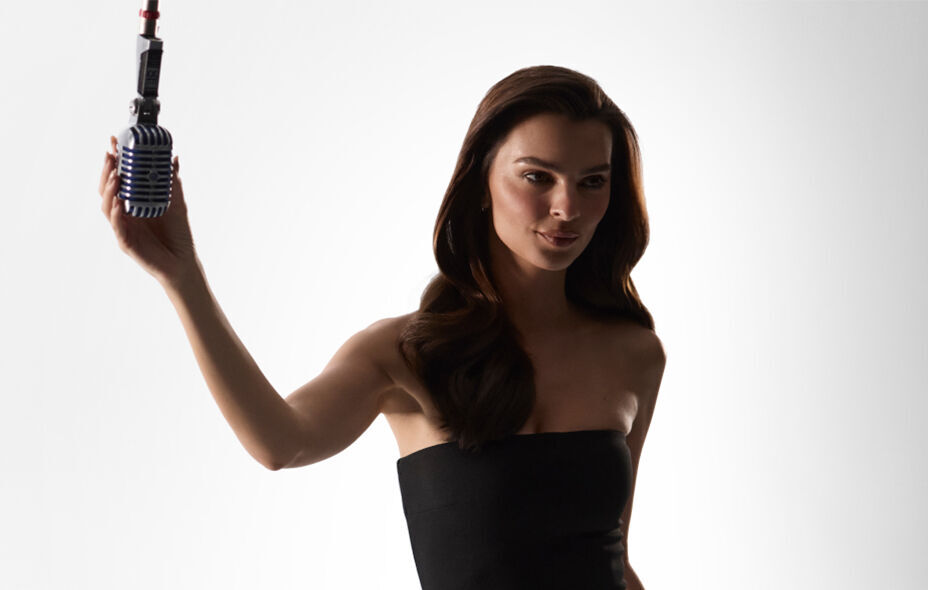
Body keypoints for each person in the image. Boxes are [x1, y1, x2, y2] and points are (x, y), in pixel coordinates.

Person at [98, 64, 665, 590]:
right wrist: (183, 277)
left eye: (593, 182)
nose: (567, 207)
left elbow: (616, 556)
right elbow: (280, 443)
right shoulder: (404, 354)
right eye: (537, 177)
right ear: (481, 184)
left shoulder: (634, 355)